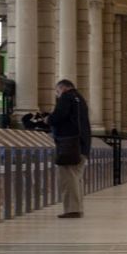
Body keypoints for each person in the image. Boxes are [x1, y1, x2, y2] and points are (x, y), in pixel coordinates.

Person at [45, 79, 91, 219]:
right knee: (76, 177)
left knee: (68, 177)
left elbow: (59, 116)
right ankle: (77, 208)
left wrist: (48, 119)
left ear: (63, 88)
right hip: (83, 144)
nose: (57, 95)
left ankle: (72, 210)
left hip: (70, 145)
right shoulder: (80, 99)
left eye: (57, 92)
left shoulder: (67, 97)